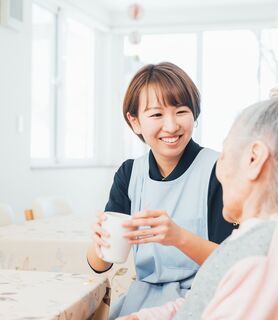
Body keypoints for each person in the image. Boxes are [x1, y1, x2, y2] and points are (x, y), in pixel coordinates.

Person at [117, 78, 278, 320]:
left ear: (254, 159)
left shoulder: (262, 253)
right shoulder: (262, 238)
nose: (217, 166)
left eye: (226, 153)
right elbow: (203, 302)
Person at [86, 62, 235, 319]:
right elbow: (101, 266)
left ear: (194, 114)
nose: (171, 126)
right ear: (135, 122)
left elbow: (231, 263)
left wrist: (178, 237)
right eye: (156, 115)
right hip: (141, 300)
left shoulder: (218, 169)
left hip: (203, 300)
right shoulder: (129, 173)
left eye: (181, 111)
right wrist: (100, 245)